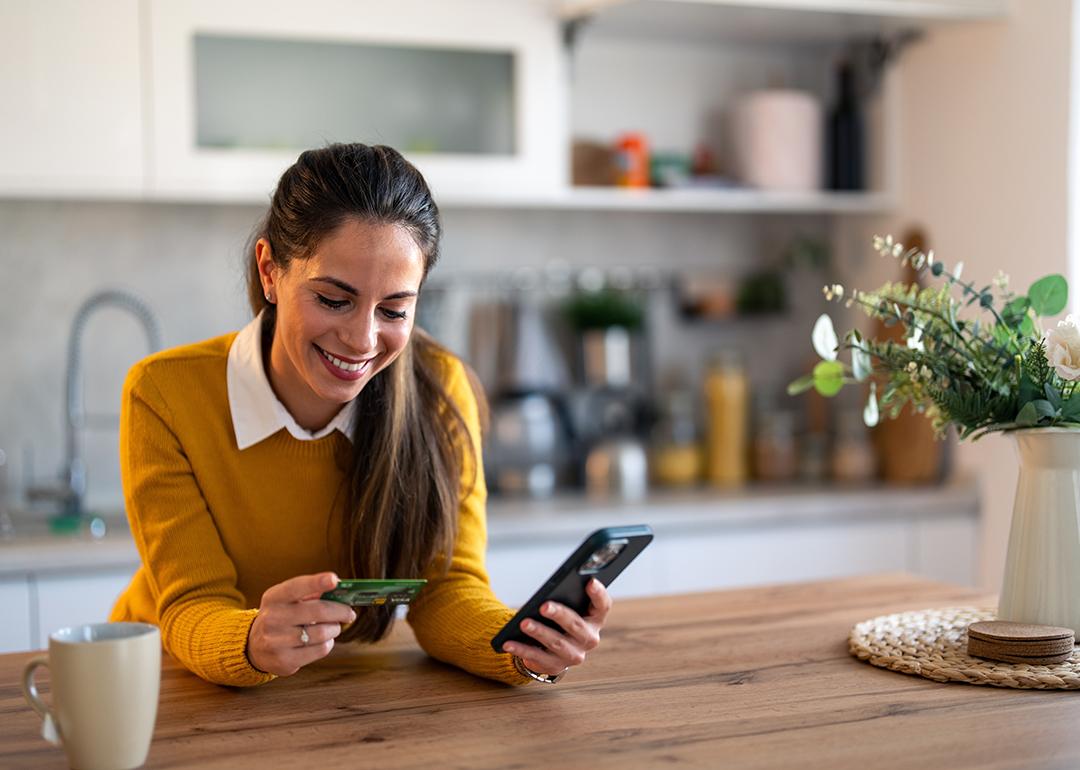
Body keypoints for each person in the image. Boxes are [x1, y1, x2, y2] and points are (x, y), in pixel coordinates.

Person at [109, 143, 613, 687]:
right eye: (333, 299)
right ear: (270, 271)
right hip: (166, 685)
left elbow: (448, 591)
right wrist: (251, 642)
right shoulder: (165, 393)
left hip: (339, 693)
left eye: (394, 309)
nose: (362, 339)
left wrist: (522, 648)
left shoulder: (439, 391)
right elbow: (190, 604)